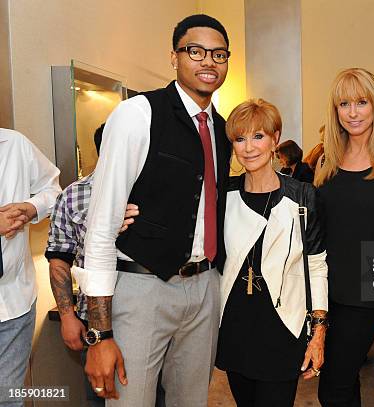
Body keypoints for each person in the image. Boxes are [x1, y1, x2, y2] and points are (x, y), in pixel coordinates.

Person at [72, 14, 232, 406]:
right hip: (142, 289)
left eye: (219, 54)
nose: (208, 62)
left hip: (205, 287)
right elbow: (102, 225)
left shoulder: (222, 130)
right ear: (174, 57)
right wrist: (100, 335)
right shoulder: (137, 114)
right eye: (195, 51)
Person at [216, 98, 328, 406]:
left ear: (275, 139)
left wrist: (318, 332)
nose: (249, 147)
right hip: (236, 324)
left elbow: (317, 266)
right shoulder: (223, 196)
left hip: (282, 326)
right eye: (240, 138)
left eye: (258, 136)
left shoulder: (303, 196)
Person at [315, 68, 374, 406]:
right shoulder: (327, 160)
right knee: (345, 376)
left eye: (362, 102)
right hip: (328, 287)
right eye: (344, 104)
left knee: (333, 384)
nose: (352, 112)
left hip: (370, 290)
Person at [45, 125, 150, 407]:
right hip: (93, 319)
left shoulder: (152, 192)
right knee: (102, 394)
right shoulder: (73, 195)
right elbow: (59, 257)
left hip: (148, 315)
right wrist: (67, 316)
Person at [0, 128, 61, 406]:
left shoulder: (14, 144)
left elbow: (53, 187)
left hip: (15, 303)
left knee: (10, 400)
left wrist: (32, 207)